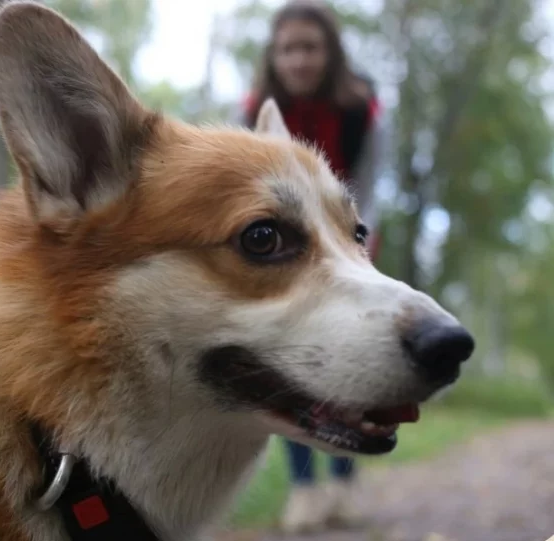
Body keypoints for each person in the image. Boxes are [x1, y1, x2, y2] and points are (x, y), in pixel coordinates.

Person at [241, 0, 386, 534]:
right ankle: (305, 488)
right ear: (273, 56)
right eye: (287, 49)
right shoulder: (256, 107)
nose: (298, 60)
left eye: (309, 47)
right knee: (289, 365)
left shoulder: (361, 109)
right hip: (284, 254)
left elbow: (370, 183)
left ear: (331, 53)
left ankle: (344, 484)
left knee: (355, 366)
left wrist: (358, 247)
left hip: (350, 239)